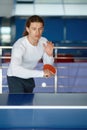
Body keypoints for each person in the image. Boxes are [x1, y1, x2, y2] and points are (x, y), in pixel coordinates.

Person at [7, 15, 54, 93]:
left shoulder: (44, 41)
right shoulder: (19, 45)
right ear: (27, 29)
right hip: (15, 77)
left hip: (29, 75)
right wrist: (41, 73)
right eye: (34, 29)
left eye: (40, 29)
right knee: (17, 103)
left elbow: (48, 67)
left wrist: (49, 55)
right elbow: (15, 70)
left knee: (28, 103)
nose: (37, 32)